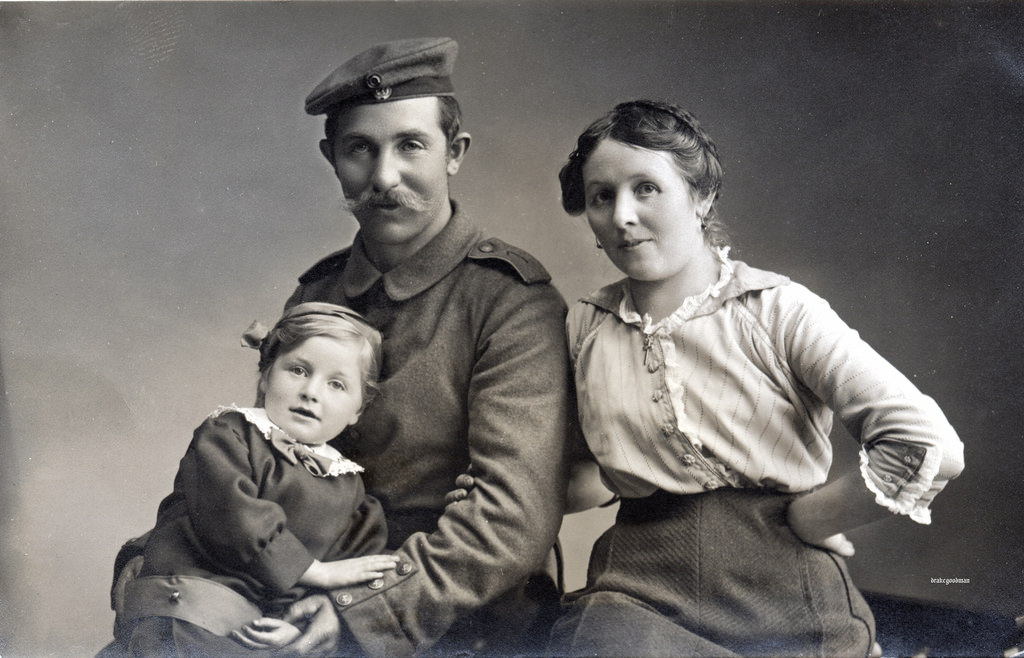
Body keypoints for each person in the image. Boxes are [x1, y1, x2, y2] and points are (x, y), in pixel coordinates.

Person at [109, 37, 573, 657]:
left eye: (411, 145)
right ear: (332, 157)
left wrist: (361, 614)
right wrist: (156, 552)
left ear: (454, 153)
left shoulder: (510, 300)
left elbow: (511, 516)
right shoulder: (318, 292)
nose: (384, 177)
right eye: (360, 148)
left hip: (447, 612)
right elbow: (253, 452)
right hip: (292, 590)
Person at [547, 100, 965, 657]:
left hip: (782, 600)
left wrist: (813, 517)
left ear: (702, 198)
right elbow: (591, 472)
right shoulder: (585, 325)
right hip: (633, 597)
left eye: (646, 188)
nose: (622, 215)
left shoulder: (776, 310)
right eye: (603, 196)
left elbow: (928, 443)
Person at [102, 302, 399, 656]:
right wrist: (314, 571)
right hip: (183, 614)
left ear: (358, 410)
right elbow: (234, 516)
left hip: (254, 637)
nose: (311, 392)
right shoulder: (229, 435)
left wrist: (298, 622)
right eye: (299, 370)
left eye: (336, 384)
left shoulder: (351, 489)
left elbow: (349, 569)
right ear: (265, 375)